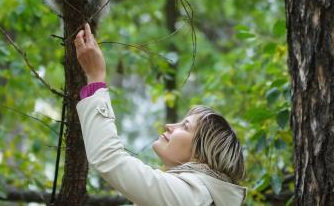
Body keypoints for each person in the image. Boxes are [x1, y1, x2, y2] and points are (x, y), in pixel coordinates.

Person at [74, 23, 247, 206]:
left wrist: (95, 77)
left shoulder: (191, 196)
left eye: (185, 126)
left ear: (202, 156)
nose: (169, 126)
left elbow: (109, 158)